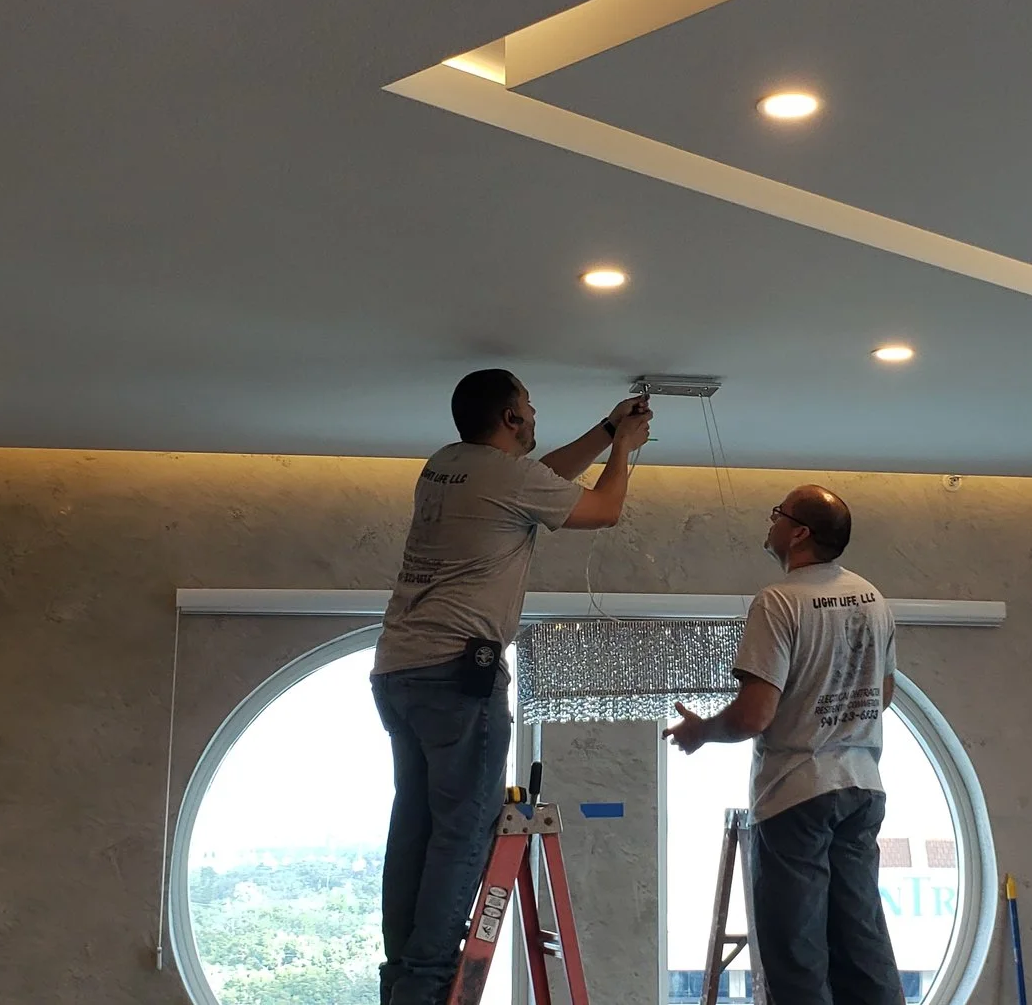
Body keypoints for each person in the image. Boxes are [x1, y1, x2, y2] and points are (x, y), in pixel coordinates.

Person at [372, 368, 652, 1005]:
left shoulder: (447, 464)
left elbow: (542, 480)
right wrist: (623, 450)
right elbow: (602, 509)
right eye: (527, 407)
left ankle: (402, 976)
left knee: (414, 823)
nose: (534, 414)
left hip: (400, 670)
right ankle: (426, 983)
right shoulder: (508, 479)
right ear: (511, 418)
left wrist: (607, 430)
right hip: (458, 677)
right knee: (461, 831)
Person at [666, 484, 901, 1005]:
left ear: (798, 533)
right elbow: (881, 694)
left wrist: (702, 730)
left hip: (796, 794)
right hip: (862, 788)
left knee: (796, 956)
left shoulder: (779, 602)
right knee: (862, 943)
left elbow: (755, 714)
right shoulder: (873, 599)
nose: (768, 523)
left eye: (777, 515)